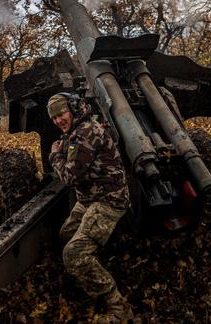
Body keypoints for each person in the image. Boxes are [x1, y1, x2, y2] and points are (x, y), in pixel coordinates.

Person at [47, 93, 134, 322]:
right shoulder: (77, 130)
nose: (58, 120)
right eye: (54, 117)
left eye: (61, 114)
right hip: (89, 199)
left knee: (73, 253)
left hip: (107, 201)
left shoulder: (84, 133)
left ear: (73, 110)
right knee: (66, 234)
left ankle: (119, 308)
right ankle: (87, 274)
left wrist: (55, 156)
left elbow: (69, 177)